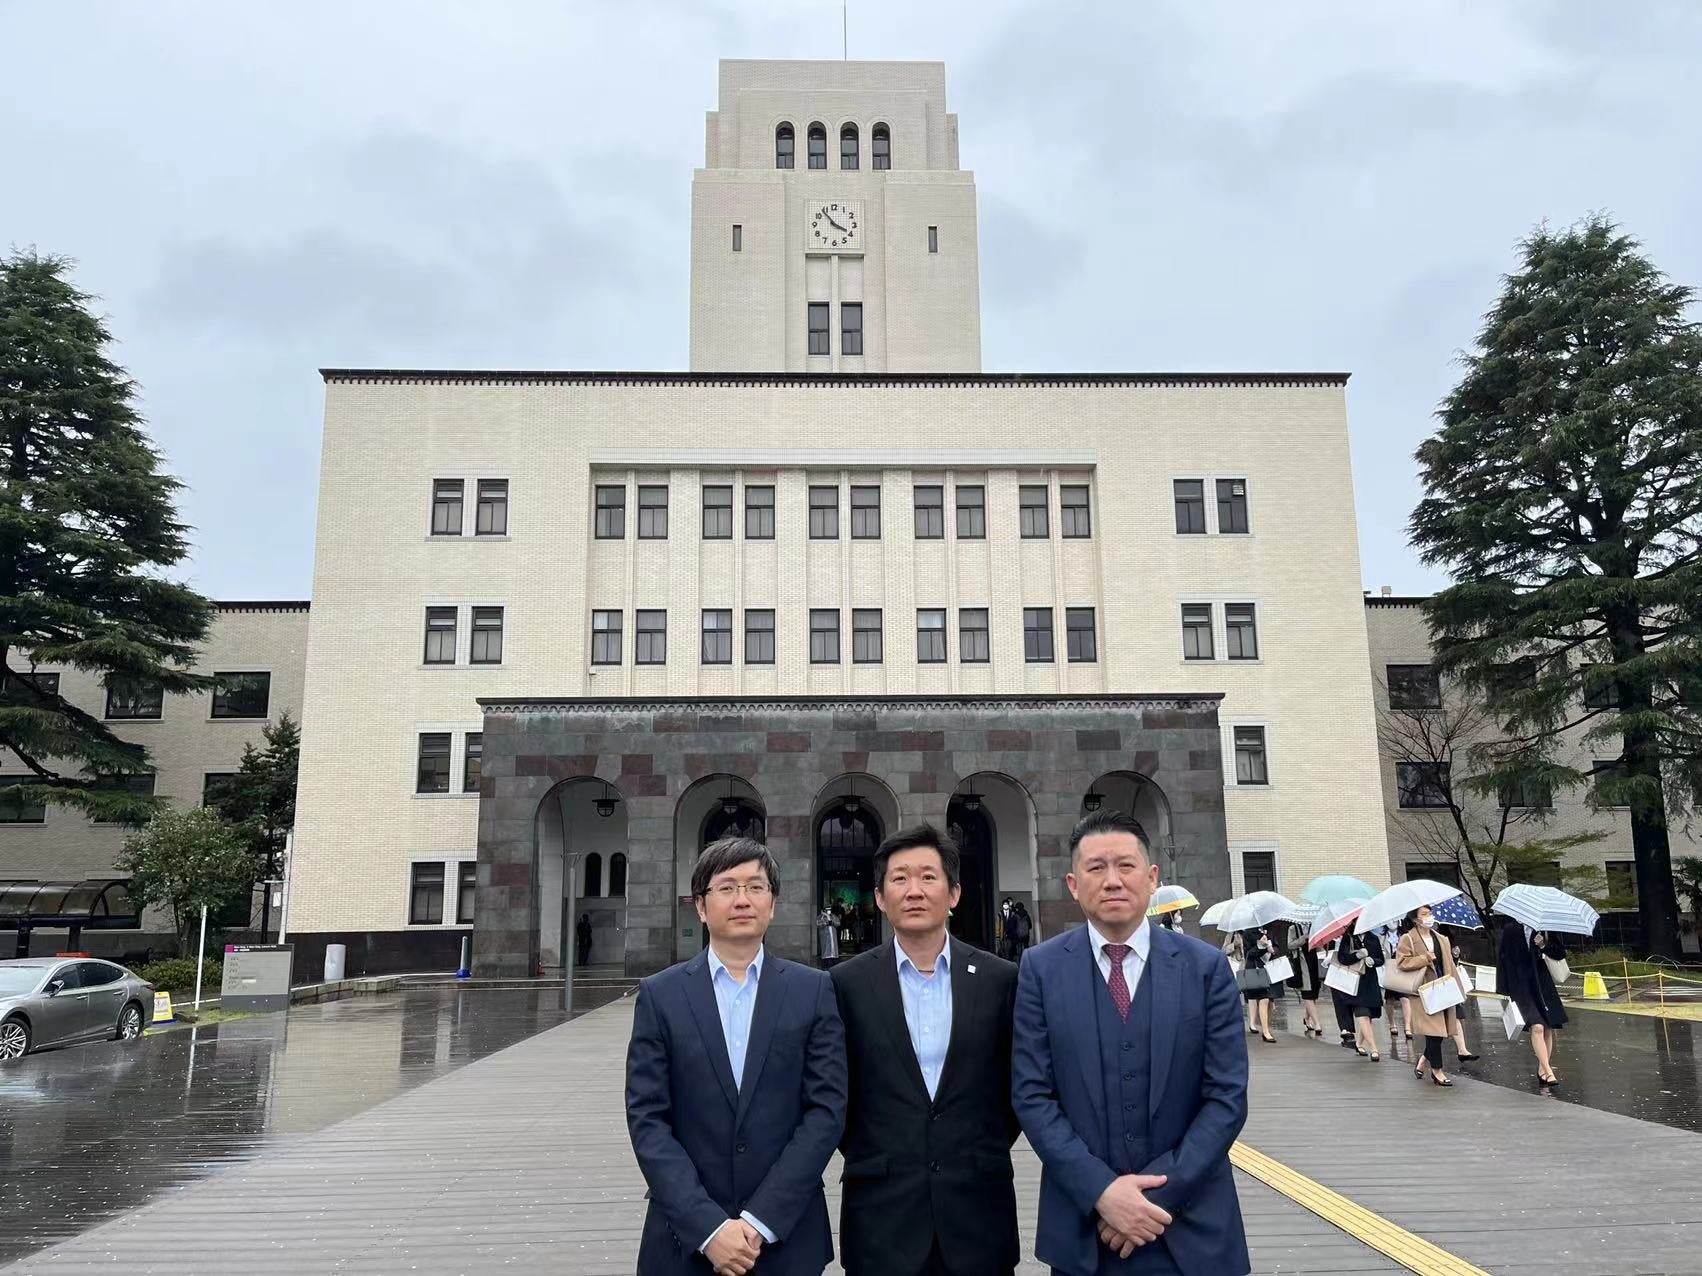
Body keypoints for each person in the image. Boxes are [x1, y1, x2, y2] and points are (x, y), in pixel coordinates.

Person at [1012, 809, 1250, 1275]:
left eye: (1126, 866)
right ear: (1074, 884)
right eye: (1096, 868)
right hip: (1085, 1230)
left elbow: (1226, 1097)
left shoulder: (1204, 969)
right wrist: (1102, 1192)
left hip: (1193, 1227)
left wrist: (1152, 1200)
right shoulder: (1041, 971)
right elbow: (1031, 1095)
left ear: (1152, 877)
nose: (1113, 880)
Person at [625, 837, 847, 1275]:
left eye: (755, 887)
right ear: (702, 907)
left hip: (786, 1240)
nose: (742, 900)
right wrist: (708, 1228)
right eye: (726, 888)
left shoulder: (812, 990)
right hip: (683, 1241)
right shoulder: (661, 995)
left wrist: (760, 1220)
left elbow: (826, 1110)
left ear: (773, 904)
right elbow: (647, 1118)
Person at [831, 825, 1021, 1276]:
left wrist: (975, 1148)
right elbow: (835, 1093)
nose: (913, 891)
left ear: (954, 893)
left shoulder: (1000, 979)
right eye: (899, 879)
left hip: (978, 1213)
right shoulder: (845, 984)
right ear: (879, 897)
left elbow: (1016, 1089)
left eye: (928, 878)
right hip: (882, 1216)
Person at [1497, 917, 1568, 1087]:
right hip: (1520, 985)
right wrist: (1505, 989)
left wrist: (1543, 945)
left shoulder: (1545, 928)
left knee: (1548, 1028)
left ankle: (1542, 1069)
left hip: (1542, 983)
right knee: (1537, 1026)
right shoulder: (1510, 929)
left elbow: (1560, 953)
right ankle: (1548, 1070)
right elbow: (1502, 957)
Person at [1394, 905, 1459, 1087]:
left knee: (1440, 1032)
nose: (1429, 917)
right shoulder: (1408, 938)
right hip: (1424, 991)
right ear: (1415, 919)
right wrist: (1424, 958)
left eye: (1429, 913)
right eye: (1424, 914)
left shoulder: (1440, 938)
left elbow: (1449, 964)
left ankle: (1423, 1060)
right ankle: (1437, 1071)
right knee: (1434, 1031)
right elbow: (1402, 962)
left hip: (1443, 987)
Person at [1333, 927, 1385, 1061]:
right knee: (1362, 1014)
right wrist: (1357, 955)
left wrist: (1373, 961)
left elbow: (1380, 959)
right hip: (1354, 981)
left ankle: (1359, 1043)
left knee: (1369, 1016)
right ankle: (1374, 1048)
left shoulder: (1373, 938)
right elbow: (1342, 958)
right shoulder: (1348, 937)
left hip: (1370, 981)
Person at [1237, 926, 1279, 1045]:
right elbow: (1249, 954)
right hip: (1255, 971)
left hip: (1269, 969)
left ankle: (1266, 1027)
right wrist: (1261, 945)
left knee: (1269, 1001)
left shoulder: (1269, 930)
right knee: (1264, 999)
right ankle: (1265, 1031)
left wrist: (1272, 949)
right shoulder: (1248, 933)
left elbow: (1276, 946)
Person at [1286, 926, 1323, 1037]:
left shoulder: (1314, 925)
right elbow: (1290, 945)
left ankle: (1307, 1018)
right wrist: (1303, 939)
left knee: (1314, 994)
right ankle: (1317, 1024)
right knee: (1307, 993)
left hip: (1314, 961)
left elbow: (1319, 945)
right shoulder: (1293, 928)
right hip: (1302, 963)